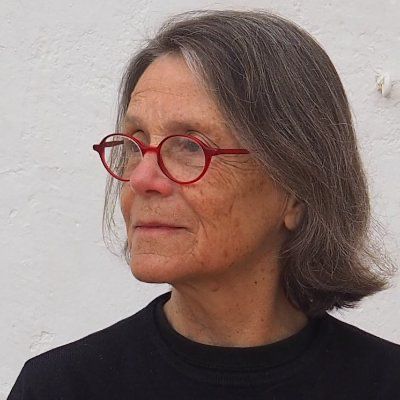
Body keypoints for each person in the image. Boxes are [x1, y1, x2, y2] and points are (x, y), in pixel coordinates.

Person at [8, 9, 400, 400]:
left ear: (297, 190)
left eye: (190, 146)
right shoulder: (60, 388)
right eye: (135, 143)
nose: (141, 179)